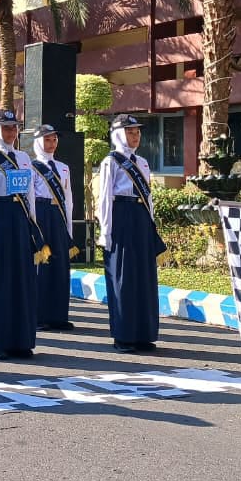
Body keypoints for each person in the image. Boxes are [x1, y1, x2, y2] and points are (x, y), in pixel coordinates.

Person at [0, 109, 41, 360]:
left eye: (14, 127)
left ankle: (21, 340)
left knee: (22, 282)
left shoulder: (24, 158)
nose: (11, 132)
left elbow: (30, 195)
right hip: (0, 219)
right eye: (6, 128)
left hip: (20, 220)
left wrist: (33, 226)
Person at [98, 115, 165, 353]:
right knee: (123, 278)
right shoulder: (111, 162)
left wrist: (152, 224)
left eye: (137, 132)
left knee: (144, 279)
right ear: (118, 134)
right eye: (130, 132)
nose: (135, 136)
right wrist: (105, 231)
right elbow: (104, 198)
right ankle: (124, 336)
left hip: (141, 218)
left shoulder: (143, 163)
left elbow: (148, 198)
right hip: (121, 217)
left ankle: (144, 334)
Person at [30, 124, 76, 331]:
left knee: (60, 266)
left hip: (58, 216)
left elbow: (69, 200)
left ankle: (59, 315)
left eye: (54, 139)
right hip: (40, 216)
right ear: (38, 142)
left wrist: (69, 228)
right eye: (47, 139)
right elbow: (28, 198)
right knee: (43, 266)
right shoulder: (30, 167)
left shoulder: (64, 167)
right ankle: (40, 316)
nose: (52, 143)